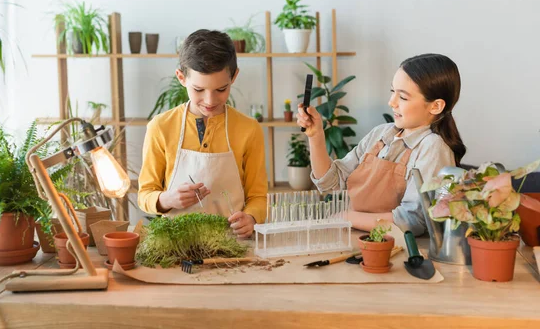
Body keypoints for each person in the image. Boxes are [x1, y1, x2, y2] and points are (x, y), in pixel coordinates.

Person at [297, 54, 466, 235]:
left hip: (397, 250)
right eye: (392, 91)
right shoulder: (380, 134)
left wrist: (347, 217)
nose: (391, 102)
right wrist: (316, 136)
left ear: (435, 106)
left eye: (403, 97)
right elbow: (331, 183)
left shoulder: (433, 147)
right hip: (357, 240)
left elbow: (412, 220)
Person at [137, 29, 267, 238]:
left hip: (232, 245)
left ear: (234, 77)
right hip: (176, 246)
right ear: (181, 77)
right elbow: (144, 195)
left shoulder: (249, 129)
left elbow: (258, 196)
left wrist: (251, 218)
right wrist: (167, 199)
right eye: (198, 90)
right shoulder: (160, 127)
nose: (210, 100)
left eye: (221, 89)